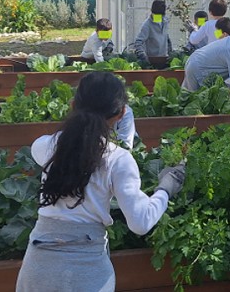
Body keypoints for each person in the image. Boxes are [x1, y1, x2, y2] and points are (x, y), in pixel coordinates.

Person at [16, 71, 185, 292]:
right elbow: (141, 222)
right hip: (87, 275)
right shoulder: (118, 160)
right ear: (122, 113)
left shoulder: (45, 146)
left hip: (37, 270)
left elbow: (67, 148)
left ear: (73, 104)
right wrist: (165, 189)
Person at [130, 0, 172, 67]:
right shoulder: (147, 25)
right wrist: (143, 55)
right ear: (152, 12)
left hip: (164, 60)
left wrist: (170, 52)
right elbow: (138, 42)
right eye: (156, 15)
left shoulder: (165, 22)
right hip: (152, 61)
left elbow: (167, 38)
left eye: (161, 15)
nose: (159, 17)